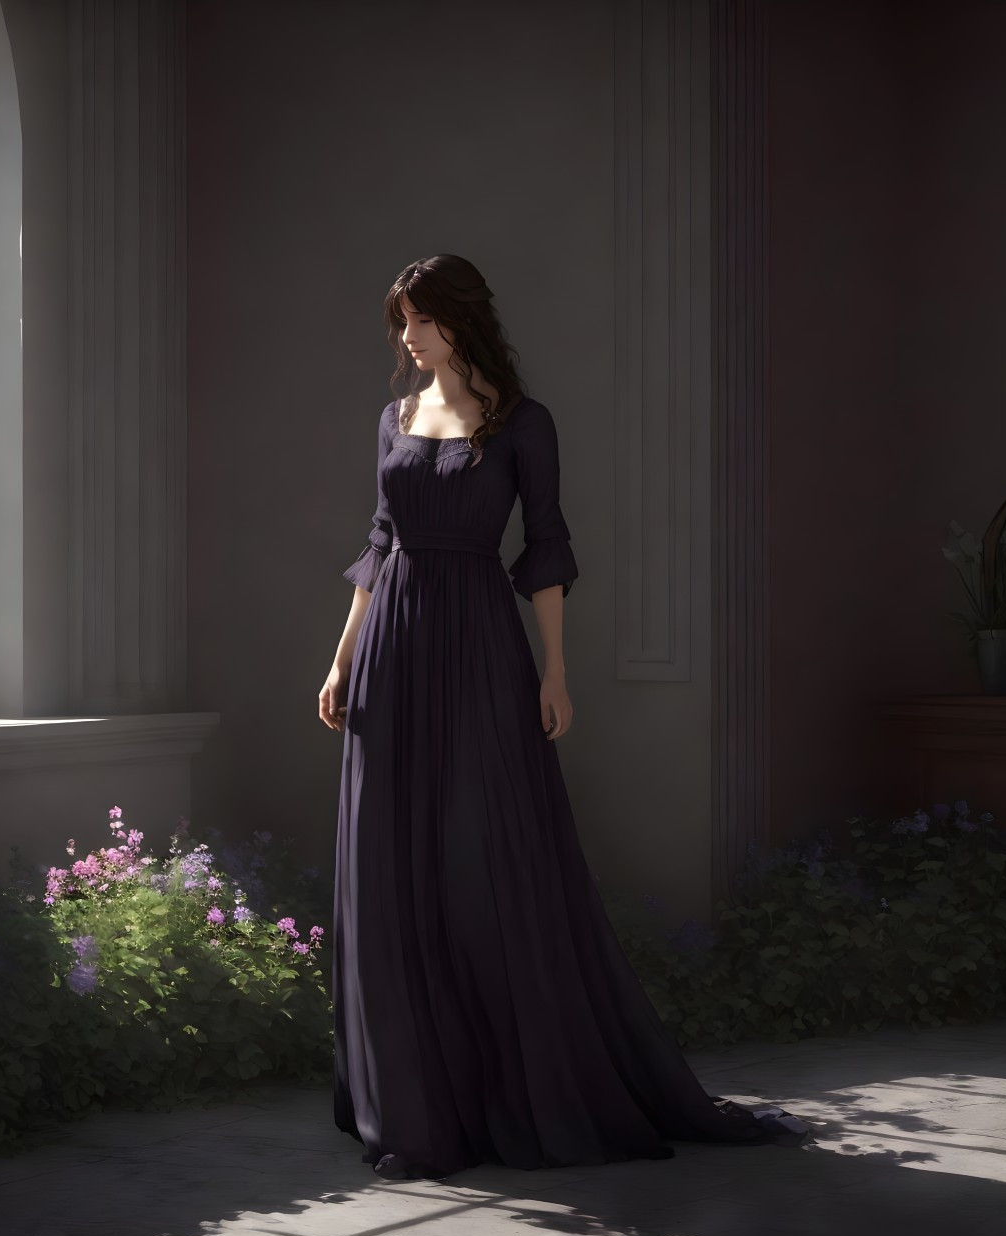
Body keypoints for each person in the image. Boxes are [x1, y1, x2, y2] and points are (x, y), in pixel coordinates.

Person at [316, 254, 814, 1181]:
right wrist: (342, 658)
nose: (405, 337)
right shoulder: (391, 419)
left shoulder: (519, 425)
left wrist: (555, 671)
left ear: (458, 324)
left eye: (418, 319)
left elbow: (544, 545)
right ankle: (413, 1110)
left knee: (485, 867)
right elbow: (379, 544)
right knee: (393, 867)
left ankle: (511, 1094)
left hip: (479, 656)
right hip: (393, 653)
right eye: (401, 322)